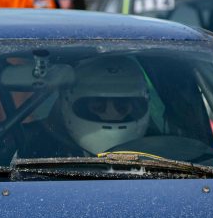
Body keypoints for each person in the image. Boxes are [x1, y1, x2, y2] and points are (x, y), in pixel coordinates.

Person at [19, 56, 151, 157]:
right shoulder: (28, 144)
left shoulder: (159, 151)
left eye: (122, 107)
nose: (112, 114)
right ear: (67, 103)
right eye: (98, 107)